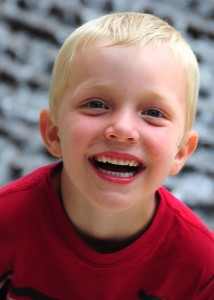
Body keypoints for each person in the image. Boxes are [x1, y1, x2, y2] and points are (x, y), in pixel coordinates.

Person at [0, 12, 213, 300]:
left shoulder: (202, 266)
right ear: (53, 134)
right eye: (97, 104)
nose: (123, 130)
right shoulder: (6, 223)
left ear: (181, 153)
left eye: (153, 113)